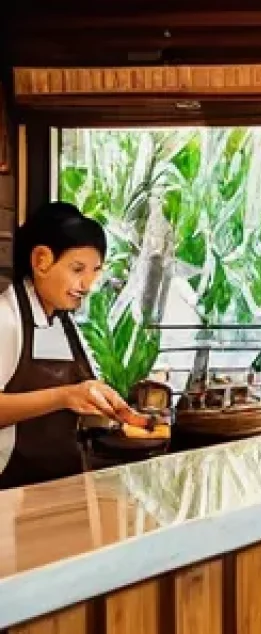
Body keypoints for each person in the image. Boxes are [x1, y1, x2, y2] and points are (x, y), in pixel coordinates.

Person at [0, 201, 146, 489]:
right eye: (77, 269)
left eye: (95, 271)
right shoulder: (6, 319)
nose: (88, 284)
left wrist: (117, 411)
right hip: (9, 489)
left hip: (62, 485)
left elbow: (80, 395)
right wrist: (64, 396)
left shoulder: (66, 324)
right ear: (41, 260)